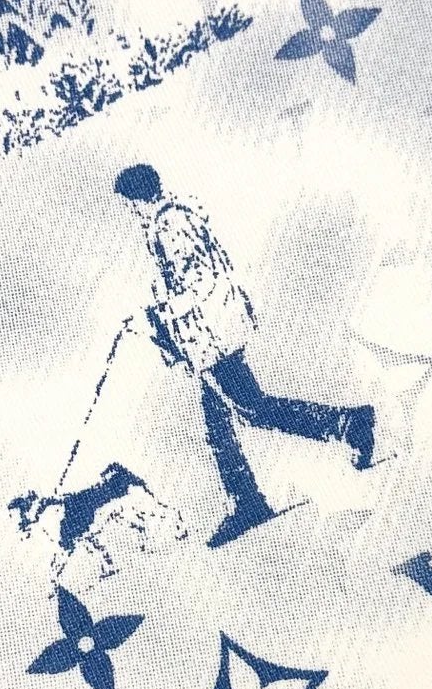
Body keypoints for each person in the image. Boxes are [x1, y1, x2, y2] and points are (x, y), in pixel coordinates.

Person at [114, 163, 375, 548]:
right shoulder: (171, 221)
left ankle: (347, 424)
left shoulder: (169, 226)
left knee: (252, 409)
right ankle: (246, 500)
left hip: (213, 336)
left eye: (130, 204)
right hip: (209, 334)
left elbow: (199, 282)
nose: (131, 212)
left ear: (140, 198)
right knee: (218, 422)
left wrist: (157, 316)